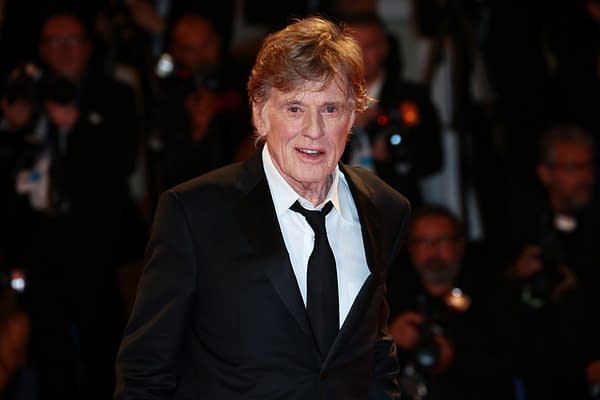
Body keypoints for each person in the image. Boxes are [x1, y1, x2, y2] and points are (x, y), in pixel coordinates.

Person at [114, 15, 411, 400]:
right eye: (293, 108)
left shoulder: (383, 207)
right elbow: (144, 372)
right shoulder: (194, 214)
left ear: (353, 114)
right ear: (259, 112)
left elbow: (373, 354)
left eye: (331, 109)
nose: (314, 130)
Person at [493, 123, 600, 400]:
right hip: (535, 362)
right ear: (545, 173)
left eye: (589, 166)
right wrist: (516, 273)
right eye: (575, 168)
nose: (586, 177)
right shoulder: (521, 224)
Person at [386, 204, 511, 400]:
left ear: (460, 245)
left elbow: (514, 360)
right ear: (409, 247)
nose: (433, 250)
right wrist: (389, 339)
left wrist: (458, 355)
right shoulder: (387, 299)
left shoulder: (492, 295)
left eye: (442, 240)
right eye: (423, 241)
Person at [339, 11, 443, 209]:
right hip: (340, 202)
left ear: (384, 48)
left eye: (369, 46)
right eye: (352, 47)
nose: (360, 55)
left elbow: (433, 160)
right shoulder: (324, 97)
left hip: (397, 204)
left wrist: (394, 153)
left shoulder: (411, 97)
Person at [146, 12, 251, 205]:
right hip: (197, 197)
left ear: (218, 41)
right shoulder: (169, 97)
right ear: (176, 52)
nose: (201, 56)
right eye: (190, 49)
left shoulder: (245, 75)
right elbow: (169, 169)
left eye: (206, 45)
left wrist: (221, 103)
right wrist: (197, 130)